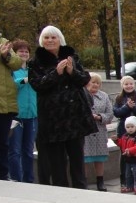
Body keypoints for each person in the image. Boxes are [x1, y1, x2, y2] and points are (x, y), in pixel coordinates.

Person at [27, 26, 94, 188]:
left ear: (60, 39)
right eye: (46, 38)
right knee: (57, 164)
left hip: (75, 117)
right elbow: (37, 85)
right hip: (52, 120)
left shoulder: (71, 56)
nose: (50, 41)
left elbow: (84, 79)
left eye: (53, 37)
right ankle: (61, 193)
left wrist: (72, 72)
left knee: (77, 159)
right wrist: (55, 73)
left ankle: (81, 190)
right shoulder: (36, 62)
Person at [0, 11, 21, 180]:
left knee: (2, 142)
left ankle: (2, 175)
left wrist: (6, 55)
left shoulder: (3, 42)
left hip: (4, 102)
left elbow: (17, 64)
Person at [8, 39, 37, 183]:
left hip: (32, 115)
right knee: (15, 151)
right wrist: (26, 80)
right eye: (21, 51)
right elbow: (12, 87)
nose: (24, 53)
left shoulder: (33, 69)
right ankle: (16, 179)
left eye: (26, 51)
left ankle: (29, 181)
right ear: (15, 53)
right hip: (16, 115)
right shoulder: (11, 70)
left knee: (28, 151)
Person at [83, 73, 115, 192]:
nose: (95, 84)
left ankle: (100, 181)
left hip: (100, 130)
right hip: (86, 132)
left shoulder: (104, 96)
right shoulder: (82, 94)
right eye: (93, 82)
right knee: (85, 157)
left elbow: (110, 114)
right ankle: (84, 181)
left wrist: (99, 117)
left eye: (98, 83)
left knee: (99, 158)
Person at [116, 116, 136, 194]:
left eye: (132, 127)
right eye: (128, 127)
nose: (130, 129)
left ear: (135, 127)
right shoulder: (124, 136)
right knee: (128, 174)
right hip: (127, 159)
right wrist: (116, 140)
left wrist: (129, 150)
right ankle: (130, 187)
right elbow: (121, 144)